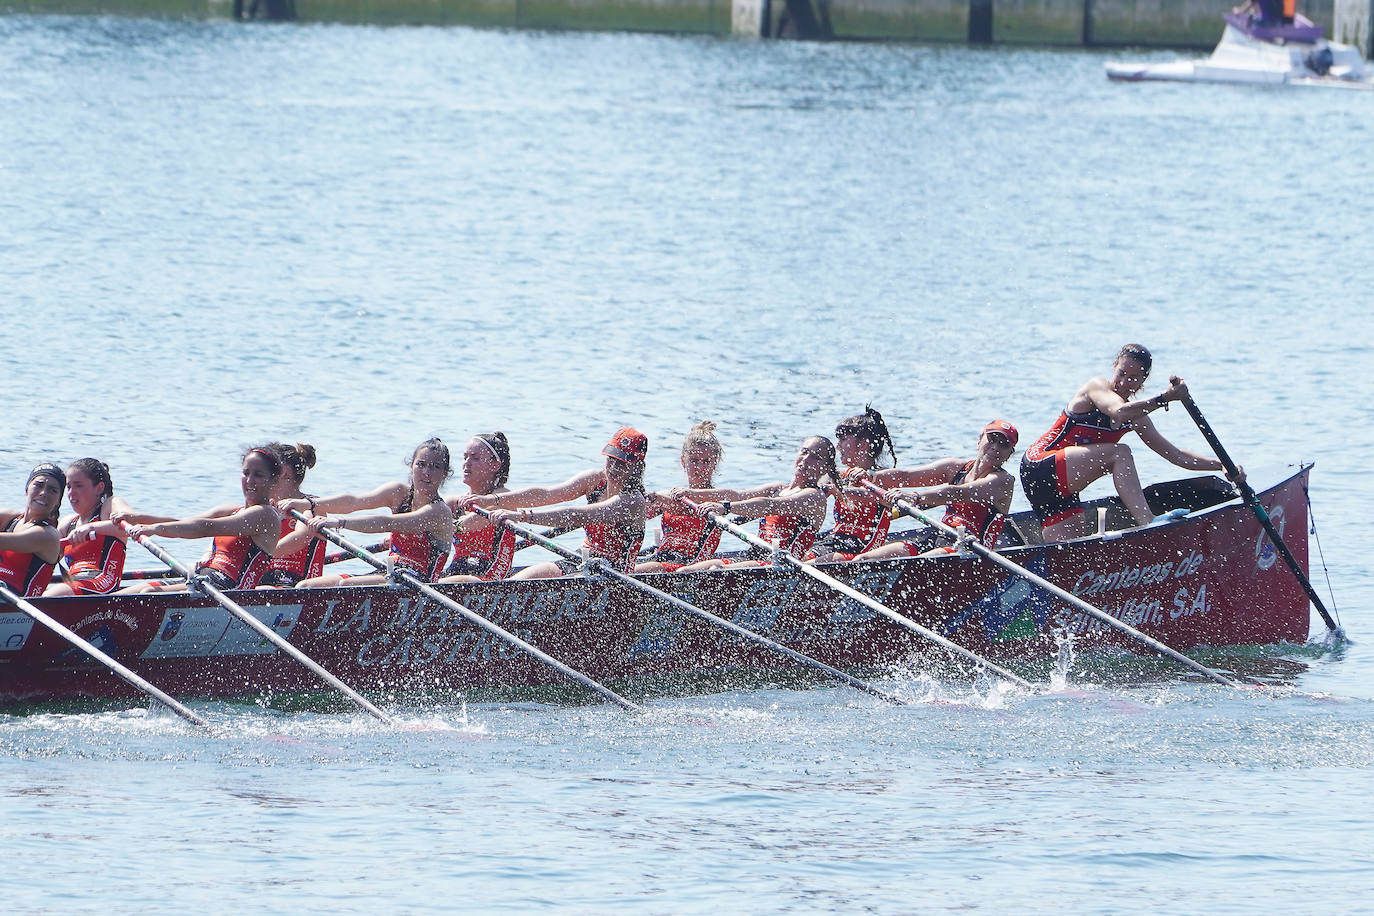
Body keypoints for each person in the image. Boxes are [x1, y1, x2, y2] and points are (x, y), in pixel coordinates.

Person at [1019, 344, 1239, 543]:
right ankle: (1148, 521)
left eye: (1133, 378)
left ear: (1143, 381)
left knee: (1069, 552)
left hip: (1060, 491)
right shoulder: (1096, 387)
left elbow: (1176, 455)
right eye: (1121, 373)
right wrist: (1164, 398)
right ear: (1114, 367)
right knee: (1120, 453)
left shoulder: (1139, 416)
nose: (1124, 383)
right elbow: (1119, 412)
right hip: (1039, 466)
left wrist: (1222, 465)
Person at [478, 428, 649, 579]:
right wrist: (493, 499)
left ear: (637, 467)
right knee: (517, 581)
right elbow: (547, 494)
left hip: (614, 575)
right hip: (580, 559)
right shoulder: (595, 480)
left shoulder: (632, 501)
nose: (612, 467)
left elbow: (577, 516)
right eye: (611, 459)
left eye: (621, 463)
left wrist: (520, 516)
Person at [293, 438, 456, 587]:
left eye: (435, 467)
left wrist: (339, 523)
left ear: (444, 474)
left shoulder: (439, 511)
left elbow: (387, 523)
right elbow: (354, 502)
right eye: (421, 464)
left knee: (346, 585)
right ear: (411, 466)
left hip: (419, 584)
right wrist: (307, 503)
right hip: (388, 572)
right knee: (305, 586)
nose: (427, 472)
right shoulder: (398, 493)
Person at [119, 448, 285, 592]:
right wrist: (138, 519)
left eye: (258, 475)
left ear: (274, 481)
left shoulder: (265, 515)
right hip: (203, 580)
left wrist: (154, 529)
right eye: (246, 473)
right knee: (131, 592)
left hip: (230, 590)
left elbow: (205, 528)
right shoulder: (229, 510)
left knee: (149, 591)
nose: (249, 481)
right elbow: (184, 522)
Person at [848, 420, 1019, 559]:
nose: (995, 447)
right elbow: (905, 476)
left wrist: (914, 497)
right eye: (992, 439)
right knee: (863, 559)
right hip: (939, 536)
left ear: (1009, 454)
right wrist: (871, 476)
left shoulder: (1002, 481)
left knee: (916, 565)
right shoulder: (955, 467)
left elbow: (958, 493)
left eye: (1003, 444)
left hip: (970, 550)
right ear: (980, 440)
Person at [675, 436, 838, 571]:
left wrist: (725, 507)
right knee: (685, 570)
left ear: (824, 468)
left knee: (715, 568)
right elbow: (737, 495)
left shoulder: (813, 497)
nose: (806, 460)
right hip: (756, 557)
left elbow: (770, 506)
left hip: (780, 565)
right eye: (804, 452)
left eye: (815, 457)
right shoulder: (777, 488)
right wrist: (692, 494)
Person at [806, 406, 897, 562]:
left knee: (815, 562)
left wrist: (836, 490)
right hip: (836, 538)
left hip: (863, 545)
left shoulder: (884, 477)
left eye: (842, 439)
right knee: (800, 556)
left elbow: (876, 498)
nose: (837, 446)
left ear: (862, 444)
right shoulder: (839, 474)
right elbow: (812, 492)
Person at [636, 421, 725, 573]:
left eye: (706, 462)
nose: (700, 468)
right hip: (662, 559)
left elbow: (686, 508)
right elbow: (638, 515)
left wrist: (659, 499)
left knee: (633, 571)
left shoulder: (718, 500)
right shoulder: (670, 496)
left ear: (714, 463)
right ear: (683, 461)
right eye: (694, 461)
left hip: (690, 567)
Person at [437, 433, 519, 583]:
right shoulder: (453, 503)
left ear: (495, 465)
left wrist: (443, 526)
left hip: (491, 576)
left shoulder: (505, 498)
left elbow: (472, 522)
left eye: (475, 458)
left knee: (440, 583)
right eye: (465, 457)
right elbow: (425, 521)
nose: (467, 463)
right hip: (458, 569)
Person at [45, 459, 131, 597]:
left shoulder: (109, 507)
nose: (71, 493)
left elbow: (129, 525)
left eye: (78, 486)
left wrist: (91, 528)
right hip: (76, 583)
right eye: (69, 487)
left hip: (104, 581)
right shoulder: (67, 523)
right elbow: (46, 558)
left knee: (55, 593)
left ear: (99, 488)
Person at [259, 443, 328, 588]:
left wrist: (258, 556)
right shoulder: (265, 506)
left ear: (283, 472)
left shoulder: (313, 506)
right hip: (264, 578)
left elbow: (300, 537)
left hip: (298, 585)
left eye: (262, 469)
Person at [0, 464, 66, 598]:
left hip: (18, 609)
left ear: (58, 501)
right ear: (27, 489)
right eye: (39, 485)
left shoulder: (48, 535)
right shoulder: (8, 518)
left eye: (52, 490)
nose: (43, 493)